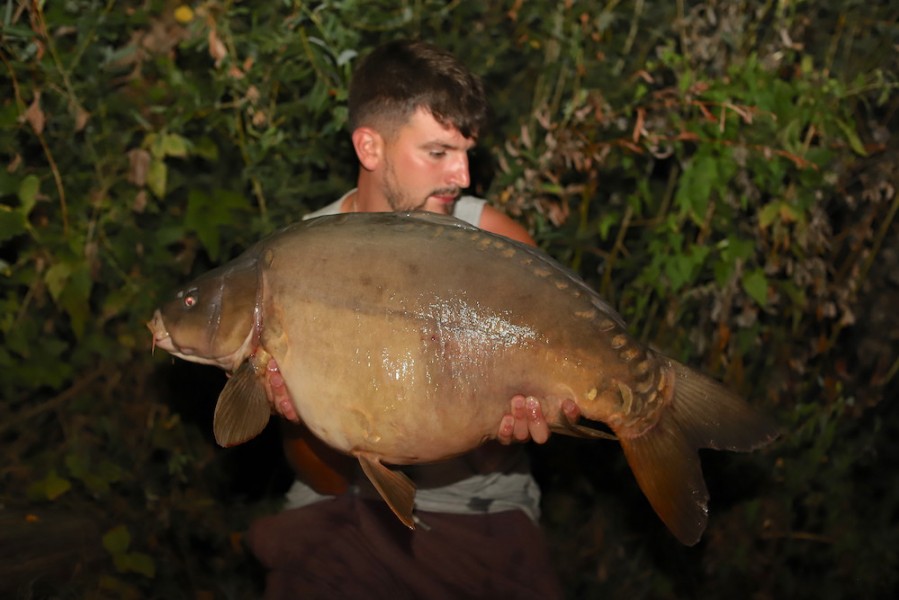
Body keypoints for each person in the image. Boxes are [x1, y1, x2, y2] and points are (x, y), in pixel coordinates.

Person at [246, 40, 576, 599]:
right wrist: (301, 415)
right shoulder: (300, 259)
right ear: (370, 147)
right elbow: (321, 476)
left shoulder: (497, 245)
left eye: (467, 152)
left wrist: (506, 424)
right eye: (439, 152)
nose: (463, 176)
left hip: (473, 509)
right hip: (339, 507)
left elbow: (500, 453)